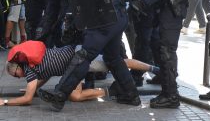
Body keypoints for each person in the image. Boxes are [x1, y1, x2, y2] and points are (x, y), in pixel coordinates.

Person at [37, 0, 140, 111]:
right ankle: (132, 95)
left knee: (83, 56)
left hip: (106, 21)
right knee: (113, 58)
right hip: (112, 19)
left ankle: (60, 94)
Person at [1, 40, 159, 106]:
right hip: (76, 55)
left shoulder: (29, 70)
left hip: (79, 59)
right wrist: (33, 88)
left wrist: (6, 102)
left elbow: (27, 100)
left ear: (17, 67)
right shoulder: (32, 64)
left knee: (118, 63)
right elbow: (46, 73)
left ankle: (113, 91)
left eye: (15, 74)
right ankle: (154, 69)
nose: (18, 77)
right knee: (118, 63)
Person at [128, 0, 188, 108]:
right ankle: (167, 89)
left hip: (171, 11)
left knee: (166, 51)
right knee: (161, 48)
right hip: (166, 11)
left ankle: (171, 95)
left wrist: (143, 2)